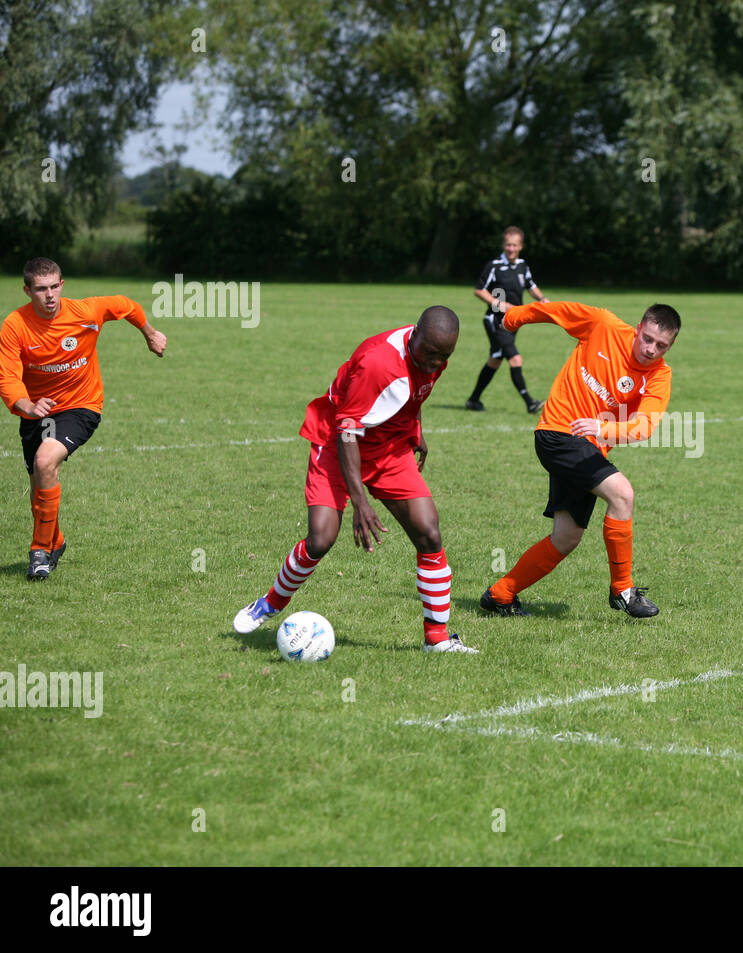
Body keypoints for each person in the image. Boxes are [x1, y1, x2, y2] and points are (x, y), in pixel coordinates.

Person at [233, 306, 477, 653]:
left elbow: (414, 389)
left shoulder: (432, 352)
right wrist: (360, 502)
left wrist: (415, 429)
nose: (436, 363)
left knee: (429, 532)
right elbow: (347, 434)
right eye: (431, 353)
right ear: (416, 334)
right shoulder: (377, 364)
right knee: (321, 538)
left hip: (388, 447)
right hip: (337, 443)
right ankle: (270, 603)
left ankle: (436, 640)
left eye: (444, 356)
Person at [480, 300, 679, 619]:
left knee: (566, 537)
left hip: (587, 449)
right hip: (558, 432)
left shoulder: (659, 376)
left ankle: (500, 595)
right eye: (648, 338)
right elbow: (554, 311)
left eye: (662, 345)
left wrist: (601, 428)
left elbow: (644, 426)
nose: (652, 349)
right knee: (623, 494)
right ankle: (622, 590)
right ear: (638, 328)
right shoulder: (603, 324)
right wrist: (514, 317)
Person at [0, 257, 167, 580]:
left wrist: (150, 333)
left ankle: (39, 551)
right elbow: (7, 378)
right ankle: (56, 541)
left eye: (54, 287)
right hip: (37, 411)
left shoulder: (85, 312)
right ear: (27, 290)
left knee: (46, 461)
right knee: (39, 485)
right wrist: (27, 405)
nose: (49, 295)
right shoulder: (15, 326)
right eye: (40, 289)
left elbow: (126, 306)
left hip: (81, 406)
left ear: (62, 285)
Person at [464, 226, 549, 413]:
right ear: (503, 245)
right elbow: (479, 290)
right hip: (495, 321)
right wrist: (499, 304)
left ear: (520, 246)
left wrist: (542, 299)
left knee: (495, 359)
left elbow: (531, 286)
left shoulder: (522, 266)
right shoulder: (494, 266)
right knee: (515, 359)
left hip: (513, 323)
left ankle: (473, 400)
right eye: (508, 245)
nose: (511, 248)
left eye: (514, 245)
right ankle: (530, 402)